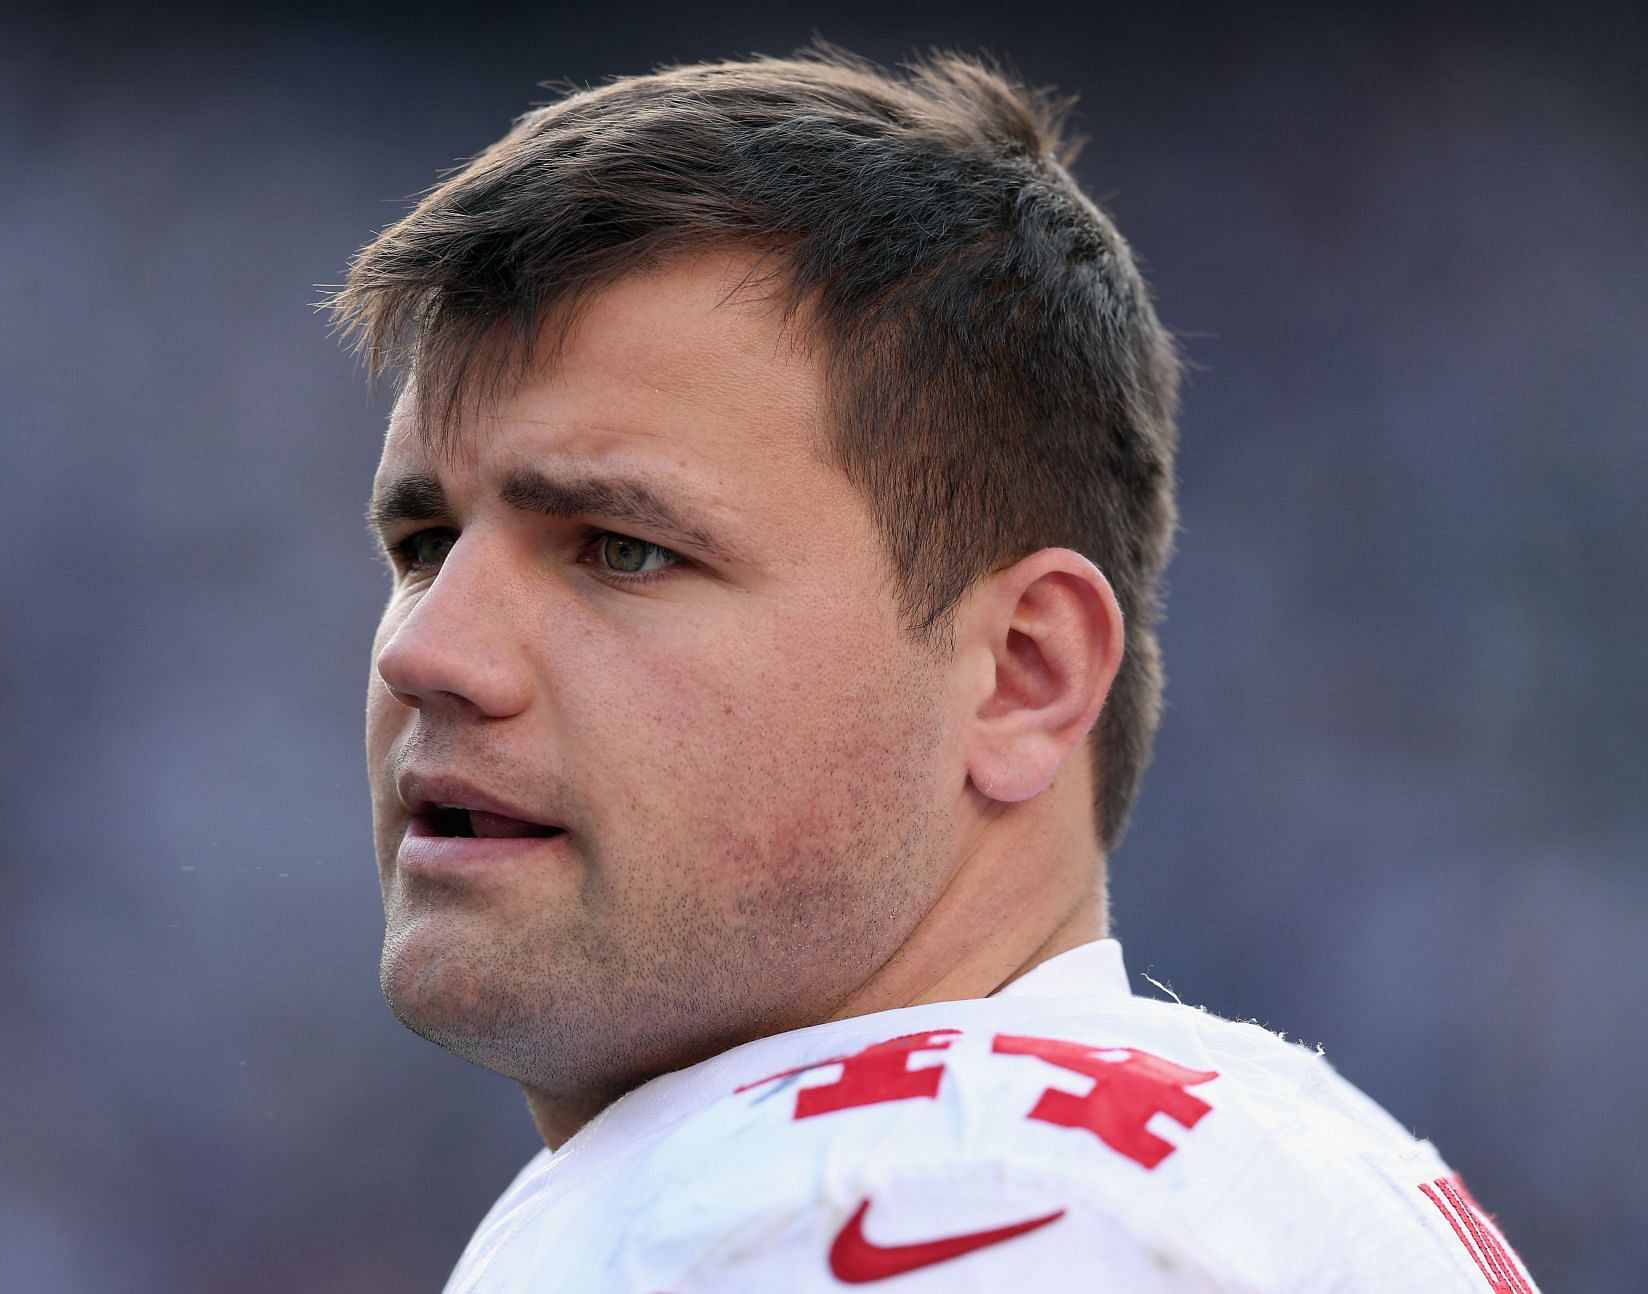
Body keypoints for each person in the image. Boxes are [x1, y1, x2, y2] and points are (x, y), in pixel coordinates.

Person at [328, 44, 1539, 1292]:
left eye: (624, 549)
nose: (429, 651)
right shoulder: (1184, 1161)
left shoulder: (916, 1196)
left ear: (1023, 673)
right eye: (424, 545)